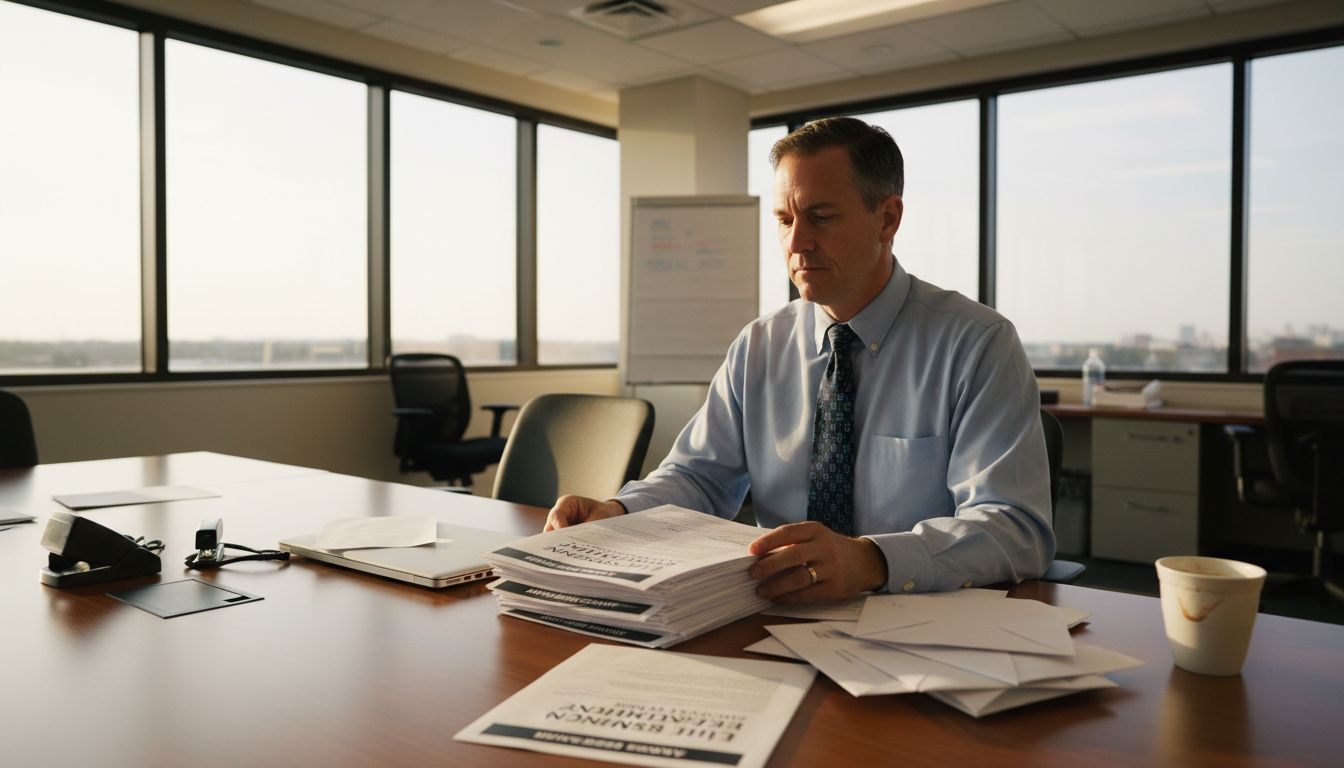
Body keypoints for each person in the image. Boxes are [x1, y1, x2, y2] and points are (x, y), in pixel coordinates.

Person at [546, 117, 1053, 604]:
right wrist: (619, 512)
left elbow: (1014, 527)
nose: (796, 243)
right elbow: (699, 477)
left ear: (888, 218)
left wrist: (873, 560)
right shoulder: (759, 345)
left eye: (821, 217)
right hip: (779, 608)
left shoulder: (976, 343)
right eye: (785, 220)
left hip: (921, 621)